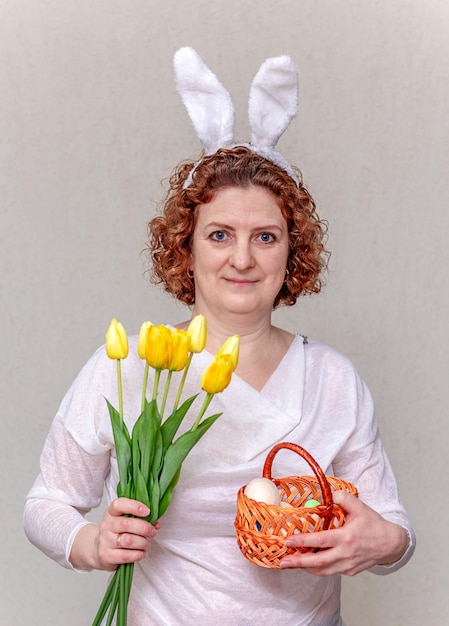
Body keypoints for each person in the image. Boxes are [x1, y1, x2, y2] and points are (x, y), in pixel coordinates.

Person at [24, 47, 415, 626]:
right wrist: (89, 544)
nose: (242, 258)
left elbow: (394, 529)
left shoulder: (333, 379)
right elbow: (46, 503)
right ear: (185, 247)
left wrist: (383, 543)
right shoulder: (132, 366)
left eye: (265, 237)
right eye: (219, 235)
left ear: (292, 252)